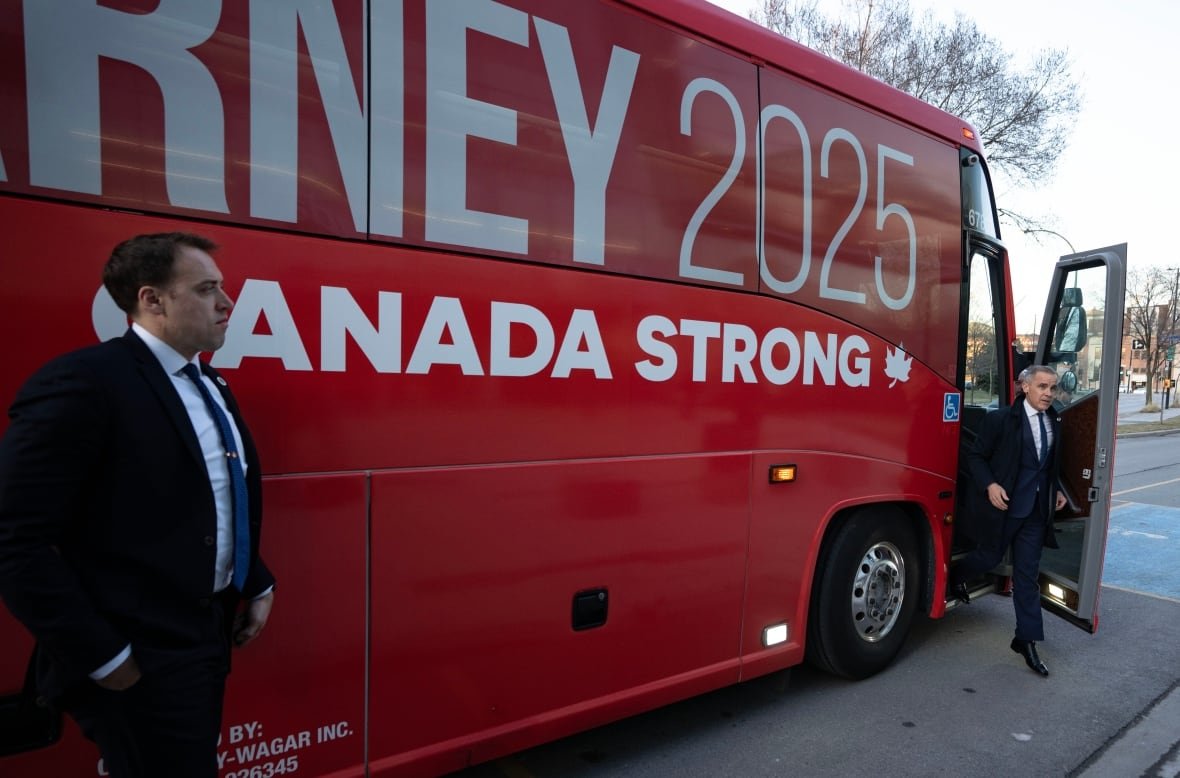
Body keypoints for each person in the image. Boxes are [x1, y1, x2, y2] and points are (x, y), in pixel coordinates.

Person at [0, 233, 276, 776]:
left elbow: (215, 498)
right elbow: (13, 538)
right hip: (139, 652)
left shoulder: (208, 381)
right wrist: (106, 657)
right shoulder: (84, 383)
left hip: (204, 635)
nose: (227, 303)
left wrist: (254, 579)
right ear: (152, 300)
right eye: (206, 289)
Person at [951, 365, 1067, 677]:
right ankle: (955, 575)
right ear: (1024, 387)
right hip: (1004, 508)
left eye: (1052, 388)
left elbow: (1050, 465)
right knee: (988, 556)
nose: (1048, 394)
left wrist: (1057, 491)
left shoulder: (1054, 419)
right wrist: (990, 485)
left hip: (1035, 511)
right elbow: (976, 457)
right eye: (1042, 386)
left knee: (1026, 576)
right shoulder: (999, 420)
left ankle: (1026, 639)